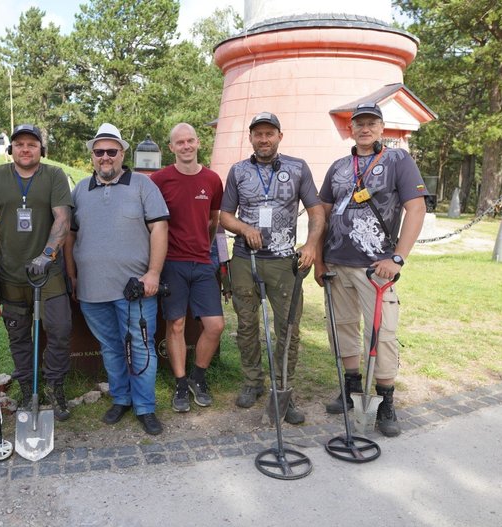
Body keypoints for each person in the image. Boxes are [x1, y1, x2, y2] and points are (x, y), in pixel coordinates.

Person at [314, 102, 427, 437]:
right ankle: (350, 390)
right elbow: (322, 214)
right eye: (358, 124)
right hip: (336, 264)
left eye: (371, 123)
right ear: (351, 129)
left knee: (383, 335)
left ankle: (385, 400)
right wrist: (319, 260)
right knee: (343, 329)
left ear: (381, 127)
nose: (364, 129)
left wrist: (397, 258)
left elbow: (416, 208)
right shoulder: (337, 167)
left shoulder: (397, 160)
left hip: (376, 270)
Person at [64, 123, 170, 435]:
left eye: (112, 151)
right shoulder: (80, 190)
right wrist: (71, 274)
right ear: (93, 157)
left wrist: (153, 273)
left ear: (122, 153)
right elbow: (70, 236)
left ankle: (145, 406)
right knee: (109, 347)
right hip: (92, 288)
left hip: (135, 289)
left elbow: (160, 229)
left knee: (142, 346)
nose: (106, 157)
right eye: (100, 152)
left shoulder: (143, 185)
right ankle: (121, 398)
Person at [220, 112, 325, 425]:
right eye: (258, 134)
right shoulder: (238, 171)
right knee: (248, 325)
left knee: (288, 330)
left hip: (283, 263)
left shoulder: (298, 168)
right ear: (250, 138)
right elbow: (224, 216)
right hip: (244, 260)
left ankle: (283, 390)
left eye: (269, 134)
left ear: (280, 136)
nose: (263, 139)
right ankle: (253, 382)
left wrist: (310, 246)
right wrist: (242, 228)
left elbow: (317, 212)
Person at [0, 124, 73, 421]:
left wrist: (46, 255)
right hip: (11, 275)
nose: (26, 149)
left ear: (40, 149)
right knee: (18, 336)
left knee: (60, 330)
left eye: (32, 144)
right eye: (20, 144)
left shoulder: (54, 175)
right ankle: (28, 387)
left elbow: (63, 218)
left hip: (48, 273)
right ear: (12, 149)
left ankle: (55, 385)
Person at [151, 123, 225, 413]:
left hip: (203, 262)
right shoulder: (159, 180)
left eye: (190, 141)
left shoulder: (212, 180)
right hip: (172, 264)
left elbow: (213, 220)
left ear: (198, 142)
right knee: (177, 324)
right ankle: (181, 383)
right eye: (179, 142)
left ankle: (198, 377)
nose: (185, 146)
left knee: (215, 325)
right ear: (171, 148)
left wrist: (208, 250)